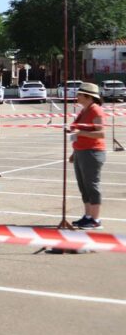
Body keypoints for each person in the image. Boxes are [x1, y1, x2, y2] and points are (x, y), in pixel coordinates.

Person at [69, 82, 106, 229]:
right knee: (83, 186)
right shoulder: (84, 110)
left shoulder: (95, 110)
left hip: (92, 152)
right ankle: (88, 216)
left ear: (88, 96)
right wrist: (74, 152)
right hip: (81, 152)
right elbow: (76, 133)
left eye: (79, 94)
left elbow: (101, 133)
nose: (77, 97)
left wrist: (80, 133)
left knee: (92, 186)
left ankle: (96, 220)